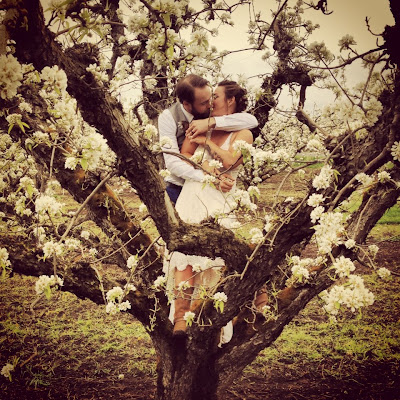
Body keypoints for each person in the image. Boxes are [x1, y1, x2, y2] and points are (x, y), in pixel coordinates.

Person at [164, 80, 268, 341]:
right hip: (191, 196)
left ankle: (210, 321)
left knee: (214, 261)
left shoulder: (243, 133)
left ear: (230, 100)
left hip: (218, 201)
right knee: (184, 256)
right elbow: (183, 156)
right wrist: (205, 165)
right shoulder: (200, 124)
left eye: (217, 97)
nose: (211, 102)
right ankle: (181, 318)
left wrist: (207, 143)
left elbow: (231, 161)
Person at [158, 74, 258, 204]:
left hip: (218, 194)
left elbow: (252, 121)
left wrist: (211, 122)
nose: (210, 104)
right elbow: (173, 161)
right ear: (187, 104)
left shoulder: (210, 118)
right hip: (180, 187)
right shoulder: (168, 117)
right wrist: (207, 173)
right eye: (204, 102)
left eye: (212, 97)